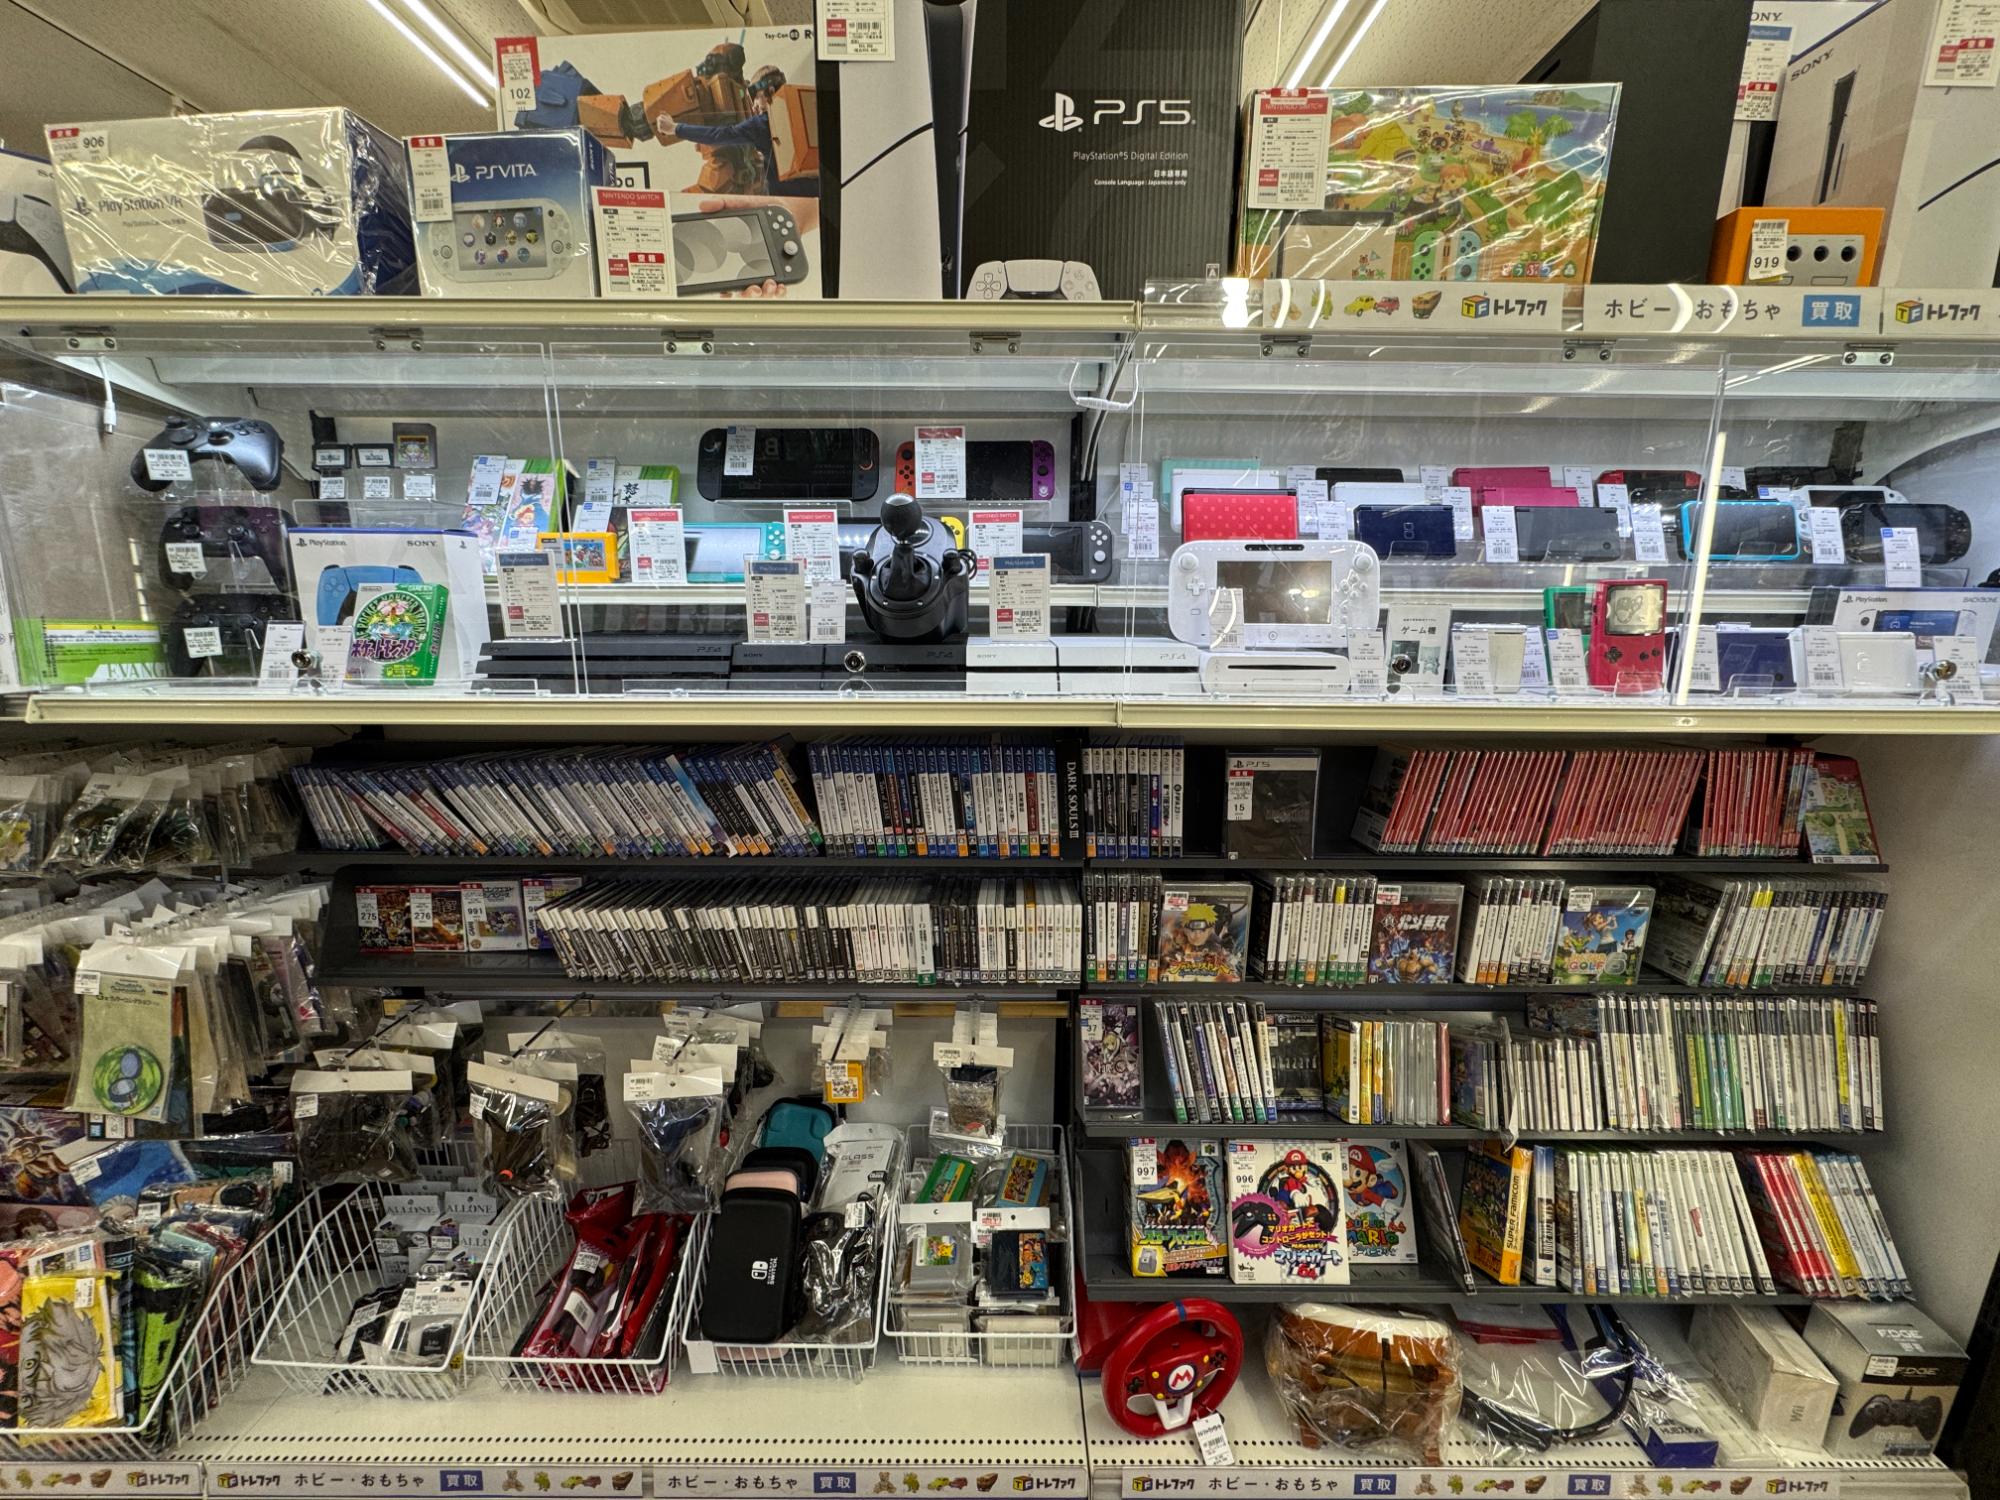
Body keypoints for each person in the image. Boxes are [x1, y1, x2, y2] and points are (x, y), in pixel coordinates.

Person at [655, 66, 819, 201]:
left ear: (770, 91)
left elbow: (720, 135)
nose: (754, 106)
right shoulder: (807, 110)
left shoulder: (762, 122)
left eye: (756, 97)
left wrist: (675, 128)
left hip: (792, 201)